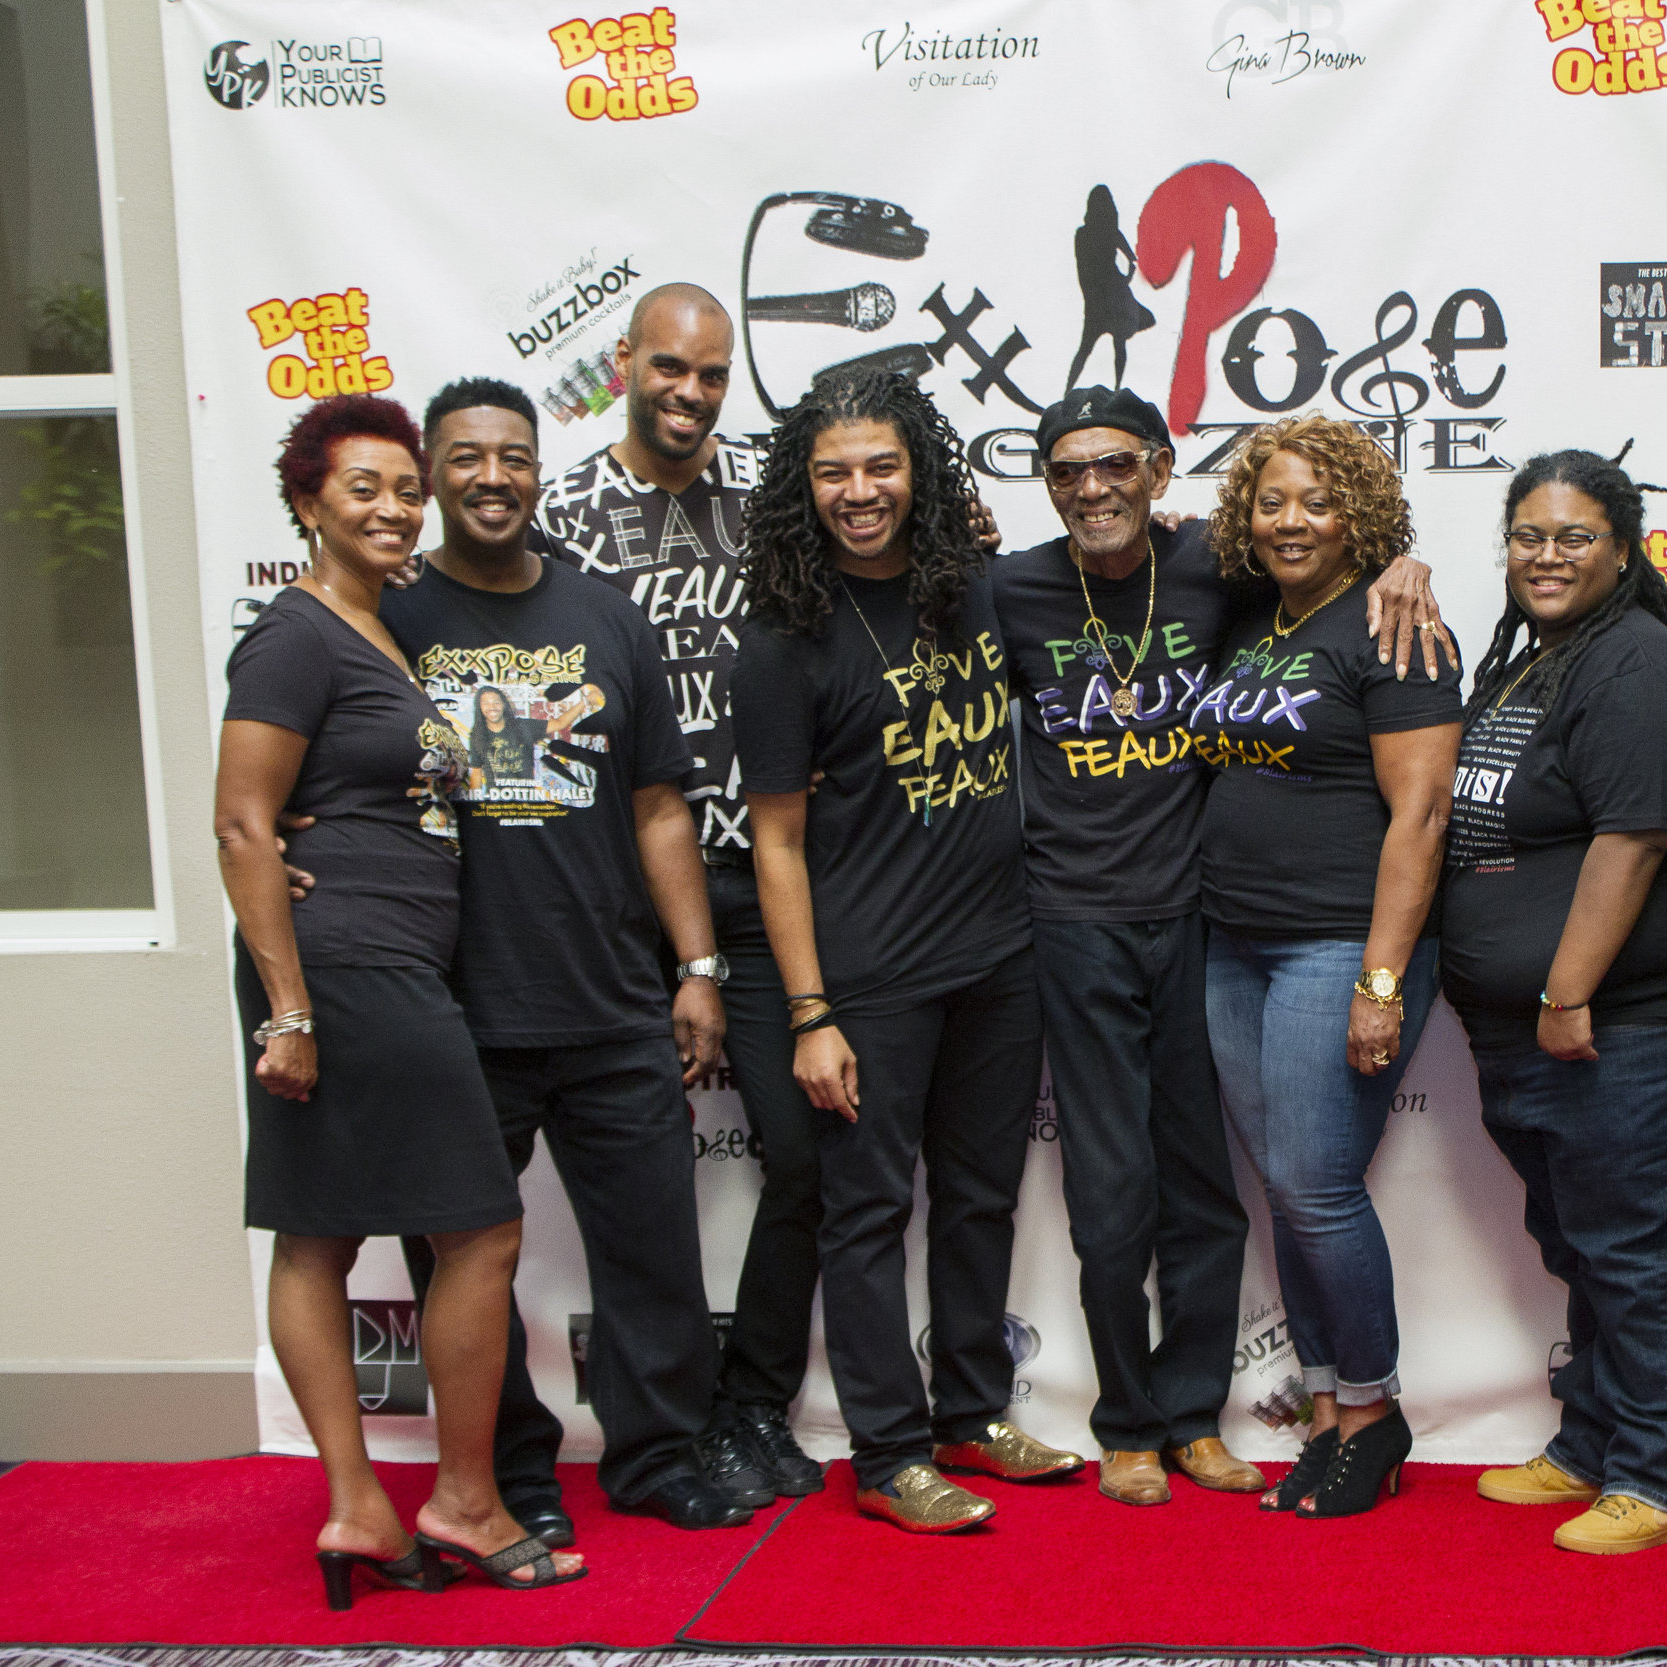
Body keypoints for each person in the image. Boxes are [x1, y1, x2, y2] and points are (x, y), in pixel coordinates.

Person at [991, 386, 1449, 1507]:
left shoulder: (1219, 574)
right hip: (1091, 920)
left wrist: (1412, 560)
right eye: (1066, 469)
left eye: (1115, 464)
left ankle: (1211, 1414)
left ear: (1157, 467)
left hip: (1220, 923)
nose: (1093, 486)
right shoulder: (1014, 588)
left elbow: (1329, 548)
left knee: (1229, 1186)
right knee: (1116, 1188)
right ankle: (1134, 1422)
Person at [368, 376, 757, 1538]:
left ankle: (656, 1453)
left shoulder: (604, 614)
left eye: (515, 456)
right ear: (431, 471)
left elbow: (654, 806)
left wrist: (696, 966)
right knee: (456, 1265)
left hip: (609, 999)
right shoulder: (383, 617)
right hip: (446, 1007)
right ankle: (511, 1466)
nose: (494, 476)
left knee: (653, 1251)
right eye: (467, 456)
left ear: (542, 470)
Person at [214, 394, 581, 1604]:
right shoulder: (296, 635)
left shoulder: (376, 633)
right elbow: (241, 821)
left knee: (322, 1230)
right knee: (479, 1226)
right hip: (346, 971)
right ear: (308, 502)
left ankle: (361, 1510)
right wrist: (290, 1007)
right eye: (361, 487)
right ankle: (464, 1502)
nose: (390, 506)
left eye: (402, 487)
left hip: (381, 961)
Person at [733, 367, 1081, 1534]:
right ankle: (886, 1455)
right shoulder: (786, 642)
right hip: (871, 975)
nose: (859, 490)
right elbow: (775, 841)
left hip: (997, 954)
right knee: (866, 1212)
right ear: (803, 489)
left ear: (918, 468)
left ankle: (971, 1410)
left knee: (980, 1197)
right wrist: (809, 1010)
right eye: (833, 472)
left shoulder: (971, 589)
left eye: (880, 464)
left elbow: (1133, 570)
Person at [534, 283, 825, 1502]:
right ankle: (655, 1423)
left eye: (710, 375)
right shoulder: (552, 513)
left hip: (755, 878)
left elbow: (906, 547)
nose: (691, 394)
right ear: (623, 364)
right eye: (668, 369)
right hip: (606, 897)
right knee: (639, 1181)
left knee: (807, 1155)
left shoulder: (770, 492)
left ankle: (752, 1404)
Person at [1444, 447, 1667, 1556]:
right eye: (1528, 534)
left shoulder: (1636, 662)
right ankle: (1593, 1440)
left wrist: (1566, 988)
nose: (1546, 554)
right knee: (1584, 1245)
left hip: (1619, 1028)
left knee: (1638, 1252)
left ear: (1622, 550)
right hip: (1526, 1032)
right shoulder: (1539, 656)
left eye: (1573, 535)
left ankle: (1662, 1471)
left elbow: (1634, 839)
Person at [1197, 413, 1463, 1519]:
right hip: (1234, 941)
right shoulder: (1252, 618)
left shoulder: (1398, 630)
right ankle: (1323, 1401)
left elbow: (1423, 813)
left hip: (1338, 945)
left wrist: (1381, 979)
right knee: (1283, 1184)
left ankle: (1373, 1407)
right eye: (1271, 500)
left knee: (1313, 1183)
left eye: (1316, 499)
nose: (1291, 519)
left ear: (1359, 510)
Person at [1065, 185, 1157, 391]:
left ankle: (1067, 391)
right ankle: (1116, 389)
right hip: (1114, 294)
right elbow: (1133, 260)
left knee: (1086, 348)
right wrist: (1125, 279)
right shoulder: (1111, 233)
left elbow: (1084, 270)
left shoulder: (1083, 234)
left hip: (1098, 297)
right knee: (1118, 344)